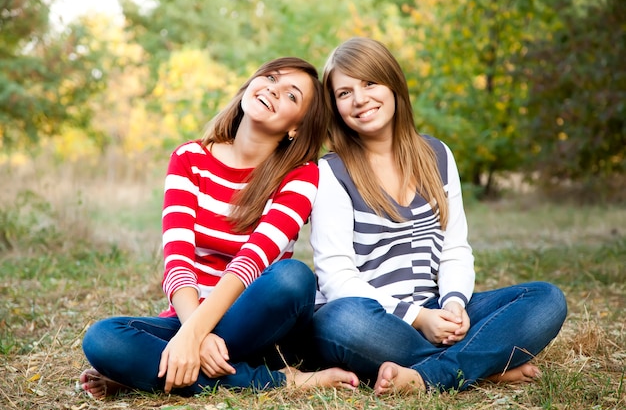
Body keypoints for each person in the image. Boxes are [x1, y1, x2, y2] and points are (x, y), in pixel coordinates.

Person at [79, 57, 359, 399]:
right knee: (103, 338)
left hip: (262, 327)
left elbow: (251, 262)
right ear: (250, 85)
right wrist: (195, 331)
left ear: (296, 128)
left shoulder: (300, 175)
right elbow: (177, 262)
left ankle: (148, 371)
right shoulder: (189, 159)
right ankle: (277, 381)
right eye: (270, 77)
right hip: (187, 316)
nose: (274, 89)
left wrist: (193, 335)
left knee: (293, 277)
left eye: (291, 95)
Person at [309, 37, 567, 395]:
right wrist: (419, 318)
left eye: (370, 83)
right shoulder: (330, 173)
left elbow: (455, 249)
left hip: (437, 306)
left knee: (546, 299)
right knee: (340, 321)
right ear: (335, 107)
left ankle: (432, 374)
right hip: (378, 319)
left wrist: (453, 304)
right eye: (344, 93)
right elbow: (337, 279)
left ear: (393, 83)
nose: (360, 99)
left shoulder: (437, 155)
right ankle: (477, 367)